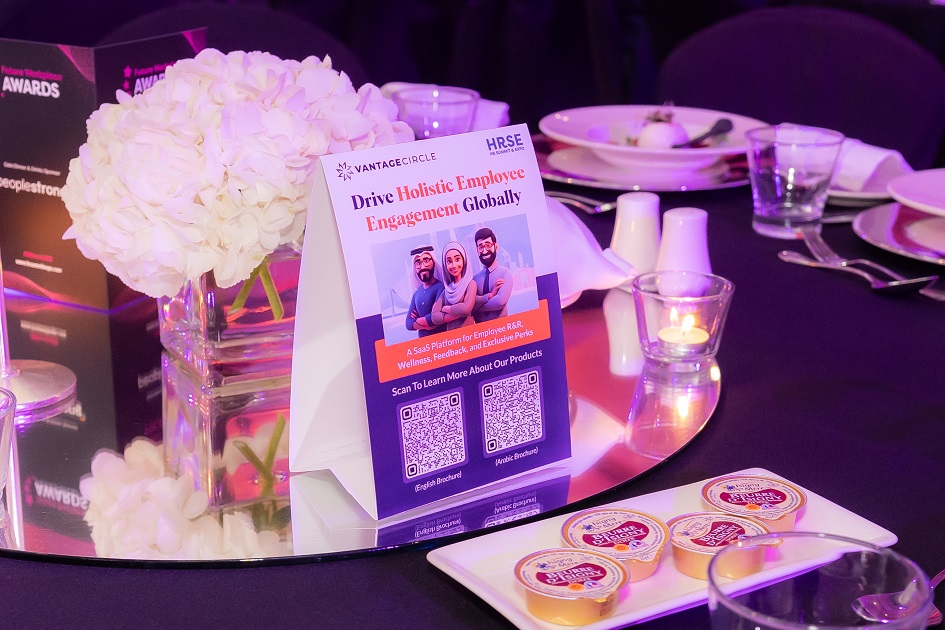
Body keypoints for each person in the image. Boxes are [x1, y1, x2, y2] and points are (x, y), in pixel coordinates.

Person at [430, 241, 477, 330]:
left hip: (469, 335)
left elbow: (465, 310)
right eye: (449, 261)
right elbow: (434, 317)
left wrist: (445, 309)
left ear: (464, 260)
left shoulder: (470, 284)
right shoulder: (446, 291)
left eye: (457, 259)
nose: (454, 265)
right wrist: (455, 312)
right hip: (452, 340)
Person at [471, 227, 513, 323]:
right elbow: (469, 303)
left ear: (496, 247)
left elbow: (500, 302)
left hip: (502, 329)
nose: (485, 251)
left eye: (488, 245)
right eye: (481, 247)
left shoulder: (505, 274)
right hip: (481, 333)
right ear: (477, 250)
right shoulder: (475, 279)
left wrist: (475, 306)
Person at [405, 245, 446, 337]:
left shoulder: (441, 287)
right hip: (423, 345)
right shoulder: (416, 295)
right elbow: (408, 323)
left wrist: (417, 321)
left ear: (434, 262)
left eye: (426, 261)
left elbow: (434, 318)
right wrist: (426, 325)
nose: (422, 266)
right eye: (418, 263)